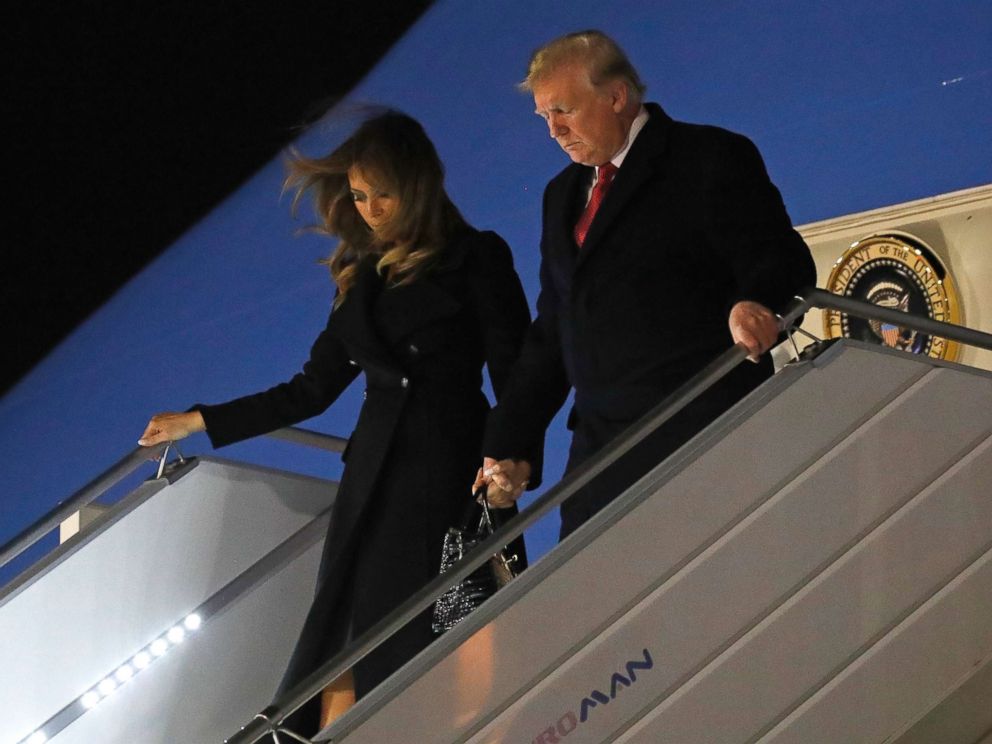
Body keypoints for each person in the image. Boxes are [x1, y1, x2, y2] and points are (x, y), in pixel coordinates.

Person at [138, 111, 531, 732]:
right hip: (369, 487)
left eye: (383, 193)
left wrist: (512, 459)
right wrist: (200, 421)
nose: (370, 208)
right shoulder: (360, 275)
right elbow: (310, 391)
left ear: (419, 185)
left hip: (448, 477)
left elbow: (517, 374)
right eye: (358, 195)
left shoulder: (476, 257)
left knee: (433, 646)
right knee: (340, 651)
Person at [476, 31, 816, 539]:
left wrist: (756, 303)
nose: (554, 131)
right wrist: (512, 445)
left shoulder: (708, 158)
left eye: (564, 110)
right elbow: (554, 329)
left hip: (702, 433)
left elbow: (780, 257)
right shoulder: (561, 194)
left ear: (616, 96)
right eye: (544, 117)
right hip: (600, 456)